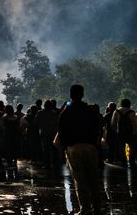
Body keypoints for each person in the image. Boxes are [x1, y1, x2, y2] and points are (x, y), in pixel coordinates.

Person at [57, 84, 103, 215]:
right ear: (82, 94)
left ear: (71, 95)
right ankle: (97, 207)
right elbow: (97, 127)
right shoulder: (90, 110)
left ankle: (85, 208)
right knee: (93, 178)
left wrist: (65, 147)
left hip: (73, 148)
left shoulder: (66, 112)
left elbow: (61, 131)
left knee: (80, 179)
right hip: (90, 146)